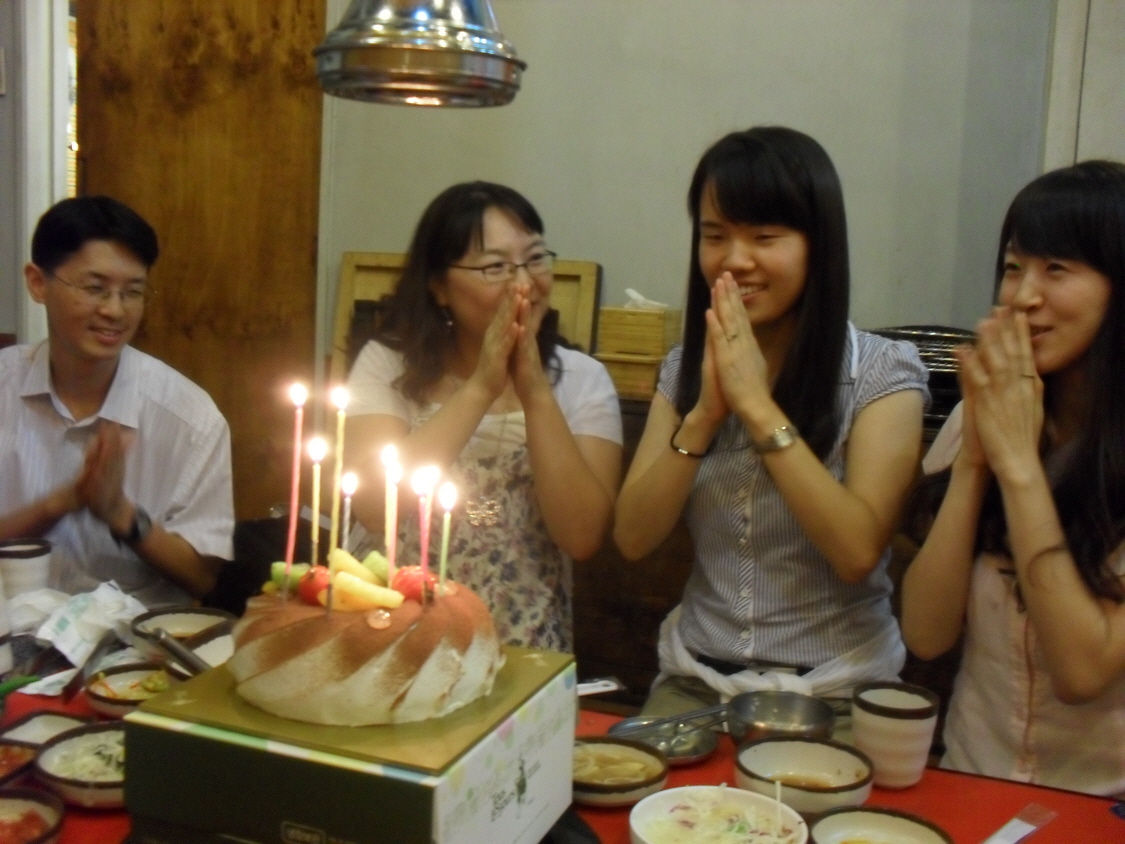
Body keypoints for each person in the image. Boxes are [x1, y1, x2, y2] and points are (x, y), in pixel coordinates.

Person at [614, 127, 929, 714]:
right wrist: (705, 414)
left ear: (817, 246)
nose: (735, 260)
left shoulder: (882, 372)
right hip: (695, 679)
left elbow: (857, 551)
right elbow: (633, 537)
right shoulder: (683, 369)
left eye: (764, 237)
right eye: (715, 236)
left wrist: (758, 408)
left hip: (837, 687)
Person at [901, 161, 1125, 796]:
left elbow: (1082, 672)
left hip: (1101, 806)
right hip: (977, 780)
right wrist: (975, 461)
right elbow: (926, 633)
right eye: (1012, 267)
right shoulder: (982, 416)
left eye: (1056, 269)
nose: (1023, 295)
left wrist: (1020, 468)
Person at [344, 181, 622, 652]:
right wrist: (481, 387)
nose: (524, 283)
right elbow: (372, 507)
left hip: (524, 644)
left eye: (535, 259)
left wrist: (535, 391)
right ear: (439, 287)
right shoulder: (387, 364)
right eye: (495, 267)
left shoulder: (583, 379)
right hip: (396, 634)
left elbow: (581, 536)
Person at [0, 196, 234, 607]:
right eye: (95, 289)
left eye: (132, 292)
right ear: (38, 283)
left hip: (136, 641)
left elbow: (202, 579)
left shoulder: (191, 419)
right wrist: (58, 504)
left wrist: (121, 514)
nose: (114, 310)